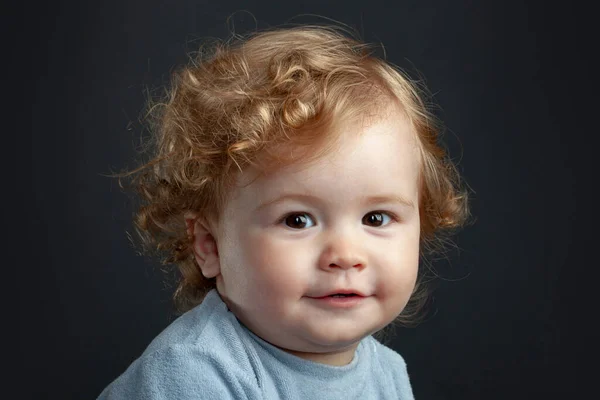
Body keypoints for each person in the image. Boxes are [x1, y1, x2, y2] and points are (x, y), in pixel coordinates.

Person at [98, 24, 470, 399]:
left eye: (375, 218)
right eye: (297, 220)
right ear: (210, 245)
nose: (345, 256)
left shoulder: (387, 374)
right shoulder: (195, 372)